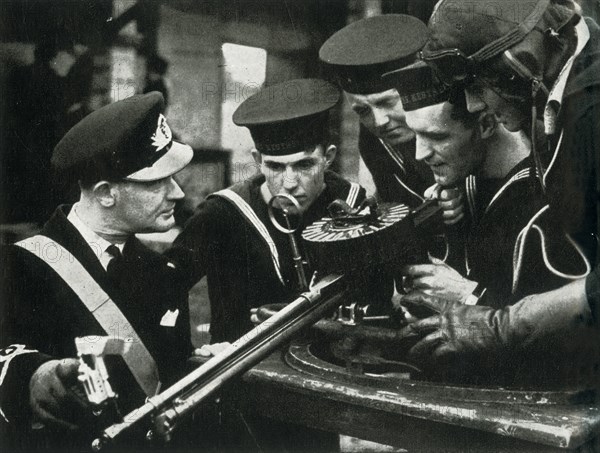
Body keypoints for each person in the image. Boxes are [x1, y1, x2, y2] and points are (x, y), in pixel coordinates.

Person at [397, 0, 600, 388]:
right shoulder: (562, 84)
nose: (473, 104)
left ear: (515, 61)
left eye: (476, 86)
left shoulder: (591, 110)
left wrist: (501, 324)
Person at [167, 78, 369, 451]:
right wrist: (185, 351)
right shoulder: (223, 214)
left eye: (304, 165)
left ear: (328, 156)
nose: (289, 183)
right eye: (276, 166)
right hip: (243, 390)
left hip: (321, 390)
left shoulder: (353, 205)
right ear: (258, 161)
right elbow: (164, 286)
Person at [0, 92, 194, 449]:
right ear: (106, 193)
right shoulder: (19, 267)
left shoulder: (162, 271)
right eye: (157, 183)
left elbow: (170, 379)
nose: (177, 193)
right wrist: (34, 377)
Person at [319, 15, 434, 207]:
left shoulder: (457, 123)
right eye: (363, 111)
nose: (379, 121)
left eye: (387, 102)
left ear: (416, 88)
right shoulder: (372, 141)